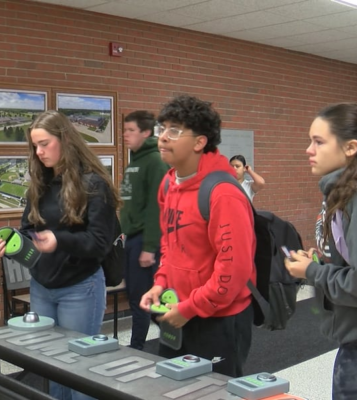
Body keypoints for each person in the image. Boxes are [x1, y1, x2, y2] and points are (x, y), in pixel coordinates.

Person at [0, 110, 120, 400]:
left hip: (80, 288)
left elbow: (99, 243)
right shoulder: (41, 184)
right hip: (42, 287)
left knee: (79, 372)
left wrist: (58, 240)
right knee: (52, 369)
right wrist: (9, 245)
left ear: (65, 140)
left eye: (45, 143)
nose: (39, 151)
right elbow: (27, 233)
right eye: (35, 146)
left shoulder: (94, 184)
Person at [139, 95, 256, 377]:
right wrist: (161, 283)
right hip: (178, 310)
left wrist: (190, 308)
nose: (163, 138)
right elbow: (170, 244)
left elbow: (233, 270)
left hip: (219, 319)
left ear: (199, 142)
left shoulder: (223, 194)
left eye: (174, 131)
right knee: (171, 389)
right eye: (162, 128)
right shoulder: (169, 183)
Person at [285, 102, 357, 400]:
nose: (308, 150)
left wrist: (312, 272)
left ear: (350, 147)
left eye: (319, 141)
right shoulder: (340, 194)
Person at [120, 110, 168, 350]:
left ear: (146, 132)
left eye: (131, 130)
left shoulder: (155, 161)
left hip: (146, 242)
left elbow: (155, 208)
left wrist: (149, 248)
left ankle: (138, 348)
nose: (126, 135)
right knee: (136, 297)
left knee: (144, 300)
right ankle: (169, 338)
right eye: (125, 130)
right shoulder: (136, 160)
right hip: (132, 239)